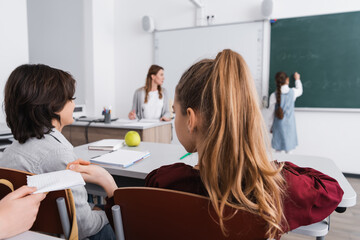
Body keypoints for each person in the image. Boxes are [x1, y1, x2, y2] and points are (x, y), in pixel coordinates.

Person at [69, 50, 343, 239]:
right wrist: (267, 167)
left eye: (175, 110)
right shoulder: (276, 188)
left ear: (191, 119)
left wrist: (110, 186)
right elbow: (332, 190)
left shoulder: (165, 180)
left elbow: (127, 216)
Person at [0, 64, 115, 240]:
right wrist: (106, 212)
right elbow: (84, 227)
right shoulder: (58, 153)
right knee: (120, 220)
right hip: (68, 234)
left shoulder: (9, 152)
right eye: (71, 98)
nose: (74, 103)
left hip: (31, 232)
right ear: (54, 107)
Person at [268, 71, 303, 153]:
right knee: (289, 151)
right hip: (290, 126)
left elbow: (270, 114)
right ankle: (289, 165)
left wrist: (270, 127)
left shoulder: (274, 95)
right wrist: (297, 79)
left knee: (278, 151)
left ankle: (278, 165)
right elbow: (300, 90)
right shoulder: (293, 92)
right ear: (287, 80)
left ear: (276, 82)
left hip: (278, 125)